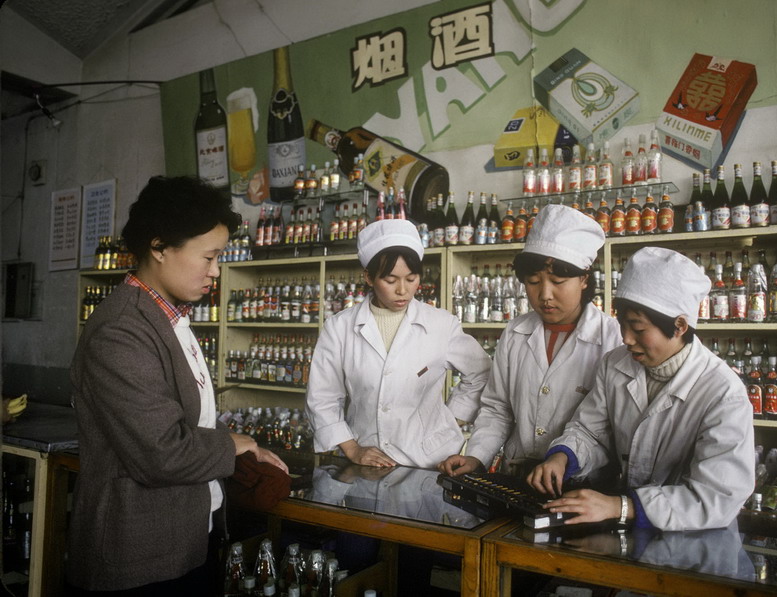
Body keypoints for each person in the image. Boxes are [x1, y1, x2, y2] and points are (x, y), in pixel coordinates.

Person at [67, 176, 288, 596]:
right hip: (138, 557)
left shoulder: (168, 318)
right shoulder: (121, 332)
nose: (215, 270)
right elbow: (162, 453)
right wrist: (233, 444)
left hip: (183, 540)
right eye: (208, 257)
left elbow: (188, 417)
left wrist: (239, 450)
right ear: (159, 247)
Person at [528, 246, 755, 531]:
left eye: (638, 328)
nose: (626, 339)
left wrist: (621, 506)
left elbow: (717, 496)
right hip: (625, 525)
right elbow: (589, 430)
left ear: (680, 326)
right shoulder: (615, 364)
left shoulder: (723, 392)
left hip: (694, 535)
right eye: (622, 325)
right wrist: (562, 457)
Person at [439, 205, 621, 478]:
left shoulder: (611, 337)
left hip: (583, 482)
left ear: (584, 279)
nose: (545, 294)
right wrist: (476, 456)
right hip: (516, 475)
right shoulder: (516, 331)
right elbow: (497, 408)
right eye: (534, 282)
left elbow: (606, 424)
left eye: (557, 281)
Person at [305, 218, 491, 469]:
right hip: (367, 457)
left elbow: (482, 372)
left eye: (411, 279)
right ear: (369, 277)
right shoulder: (339, 327)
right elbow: (322, 397)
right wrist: (352, 449)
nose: (403, 290)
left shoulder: (441, 324)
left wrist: (451, 419)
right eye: (390, 281)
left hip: (431, 459)